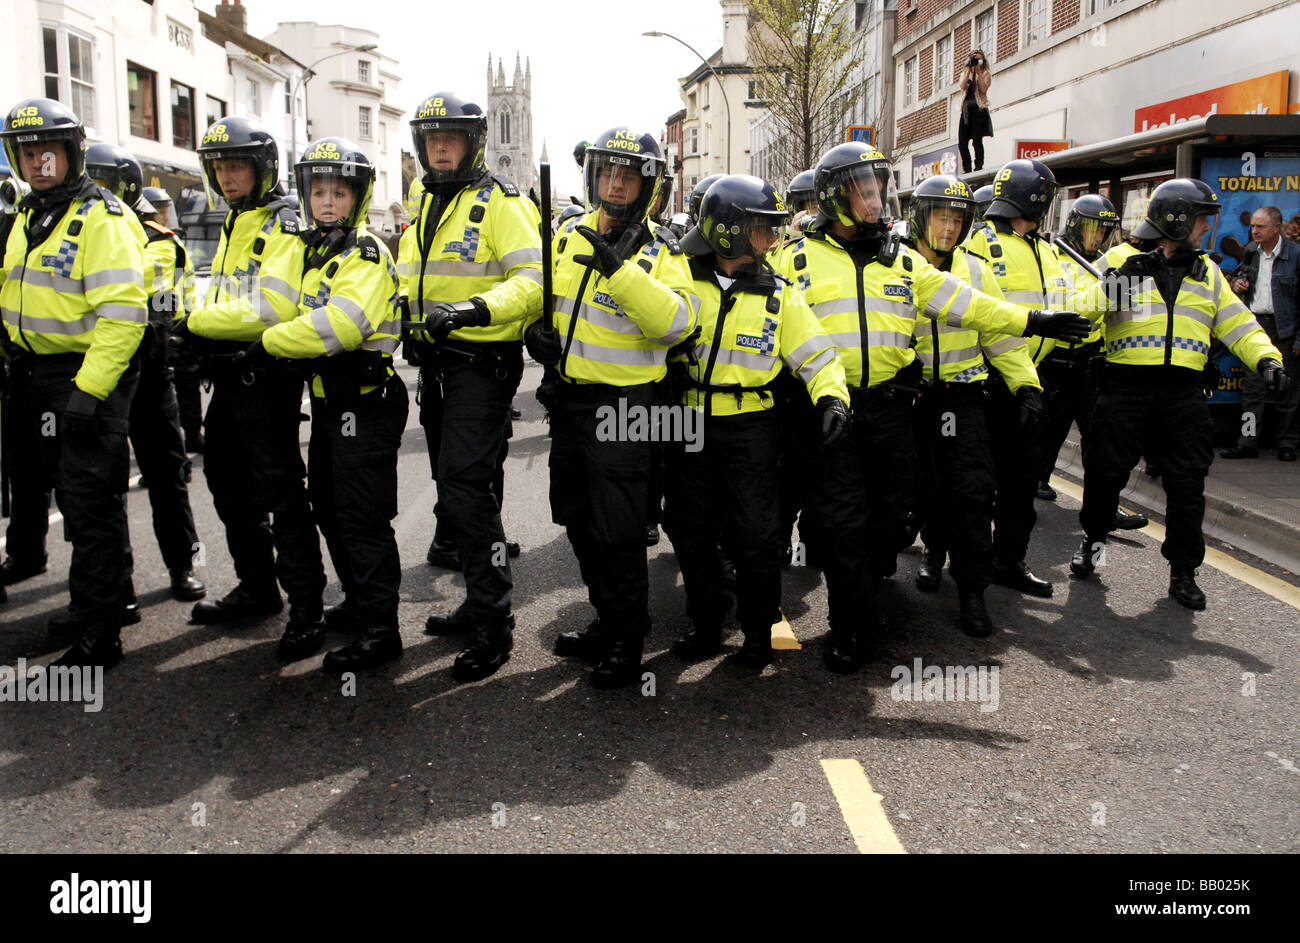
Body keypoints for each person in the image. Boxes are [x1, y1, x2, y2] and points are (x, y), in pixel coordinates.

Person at [775, 142, 1088, 672]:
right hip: (830, 413)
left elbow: (967, 302)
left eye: (878, 188)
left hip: (892, 411)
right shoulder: (795, 259)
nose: (875, 200)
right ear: (834, 196)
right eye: (863, 190)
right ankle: (848, 623)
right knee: (841, 522)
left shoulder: (899, 259)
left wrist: (1033, 322)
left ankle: (867, 589)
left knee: (892, 520)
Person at [524, 126, 698, 688]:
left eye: (627, 174)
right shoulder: (567, 233)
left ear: (647, 185)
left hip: (626, 408)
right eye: (607, 171)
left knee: (619, 530)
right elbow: (542, 297)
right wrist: (534, 332)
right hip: (571, 402)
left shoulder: (663, 251)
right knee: (576, 518)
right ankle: (607, 617)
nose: (615, 183)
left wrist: (619, 273)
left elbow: (675, 323)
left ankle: (628, 637)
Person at [1068, 179, 1287, 609]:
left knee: (1188, 487)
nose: (1208, 228)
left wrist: (1268, 359)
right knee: (1105, 476)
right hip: (1125, 390)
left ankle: (1183, 574)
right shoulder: (1119, 259)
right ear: (1179, 219)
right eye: (1203, 218)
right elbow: (1074, 308)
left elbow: (1238, 324)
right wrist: (1118, 283)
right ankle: (1093, 542)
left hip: (1183, 397)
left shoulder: (1207, 272)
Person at [666, 174, 848, 668]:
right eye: (764, 229)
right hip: (690, 424)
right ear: (730, 230)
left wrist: (832, 397)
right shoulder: (679, 279)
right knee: (691, 531)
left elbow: (819, 355)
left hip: (752, 432)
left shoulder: (780, 296)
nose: (773, 240)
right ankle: (706, 623)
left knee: (759, 538)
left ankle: (757, 634)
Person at [246, 137, 408, 668]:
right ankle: (362, 602)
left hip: (365, 404)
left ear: (358, 197)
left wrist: (268, 342)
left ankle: (383, 632)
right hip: (330, 404)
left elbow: (338, 325)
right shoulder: (317, 253)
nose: (328, 201)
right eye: (319, 191)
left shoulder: (364, 252)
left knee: (362, 519)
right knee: (331, 512)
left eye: (340, 191)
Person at [400, 91, 542, 683]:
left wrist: (474, 309)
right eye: (431, 140)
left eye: (450, 139)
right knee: (457, 489)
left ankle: (494, 622)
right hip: (435, 370)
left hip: (481, 367)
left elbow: (533, 281)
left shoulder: (500, 202)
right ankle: (474, 601)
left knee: (465, 490)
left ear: (473, 143)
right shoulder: (428, 204)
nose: (439, 148)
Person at [0, 98, 146, 667]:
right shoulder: (30, 217)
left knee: (89, 504)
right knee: (62, 495)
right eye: (28, 154)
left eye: (49, 153)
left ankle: (101, 631)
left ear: (72, 153)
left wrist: (88, 391)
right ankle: (94, 605)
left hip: (83, 374)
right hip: (35, 374)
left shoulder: (102, 218)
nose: (39, 164)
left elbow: (124, 314)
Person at [183, 115, 327, 650]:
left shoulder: (283, 222)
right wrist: (193, 316)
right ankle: (257, 586)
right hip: (227, 377)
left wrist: (193, 322)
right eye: (219, 167)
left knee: (282, 494)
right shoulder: (233, 221)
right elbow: (214, 294)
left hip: (265, 379)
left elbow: (273, 307)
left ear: (262, 167)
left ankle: (308, 608)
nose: (226, 177)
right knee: (225, 483)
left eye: (236, 166)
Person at [907, 175, 1043, 637]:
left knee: (971, 492)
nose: (948, 227)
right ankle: (931, 551)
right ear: (920, 217)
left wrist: (1026, 383)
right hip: (912, 398)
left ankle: (971, 591)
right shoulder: (895, 265)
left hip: (963, 397)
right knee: (921, 488)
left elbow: (1000, 334)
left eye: (958, 218)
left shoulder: (978, 270)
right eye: (940, 216)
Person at [83, 145, 206, 611]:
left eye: (105, 180)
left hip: (149, 374)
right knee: (102, 486)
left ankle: (183, 566)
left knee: (167, 476)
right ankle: (117, 588)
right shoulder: (78, 233)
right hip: (96, 373)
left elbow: (164, 305)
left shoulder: (158, 240)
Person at [965, 158, 1083, 599]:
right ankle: (965, 568)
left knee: (1020, 484)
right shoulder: (980, 245)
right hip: (988, 382)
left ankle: (1008, 561)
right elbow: (982, 317)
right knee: (977, 487)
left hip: (1036, 384)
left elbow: (1073, 302)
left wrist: (1118, 288)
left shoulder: (1048, 251)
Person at [1032, 194, 1149, 530]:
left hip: (1088, 360)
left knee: (1098, 437)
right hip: (1053, 358)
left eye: (1105, 230)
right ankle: (1031, 484)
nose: (1098, 236)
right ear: (1076, 224)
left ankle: (1105, 506)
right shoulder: (1053, 256)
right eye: (1093, 228)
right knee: (1047, 429)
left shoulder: (1107, 261)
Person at [1221, 205, 1300, 461]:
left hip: (1285, 328)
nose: (1254, 231)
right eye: (1252, 226)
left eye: (1260, 226)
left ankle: (1287, 443)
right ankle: (1247, 442)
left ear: (1277, 227)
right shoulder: (1251, 252)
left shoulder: (1296, 254)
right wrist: (1237, 284)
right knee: (1252, 389)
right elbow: (1237, 276)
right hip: (1256, 326)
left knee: (1288, 388)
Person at [958, 50, 992, 174]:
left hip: (979, 109)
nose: (976, 62)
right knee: (962, 142)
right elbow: (962, 86)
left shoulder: (985, 73)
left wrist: (978, 72)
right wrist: (968, 70)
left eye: (979, 59)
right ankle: (967, 168)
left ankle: (978, 166)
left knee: (977, 140)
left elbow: (983, 89)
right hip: (966, 110)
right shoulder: (965, 73)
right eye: (974, 59)